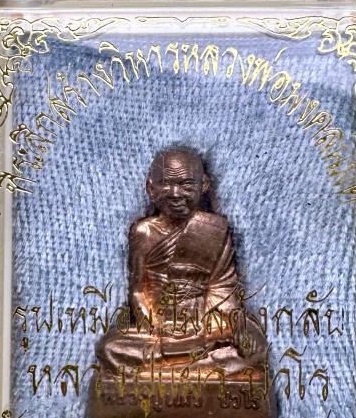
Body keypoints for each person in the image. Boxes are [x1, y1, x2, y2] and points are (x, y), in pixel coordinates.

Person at [94, 145, 267, 375]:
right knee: (109, 348)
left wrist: (220, 326)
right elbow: (138, 291)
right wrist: (157, 327)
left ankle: (170, 367)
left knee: (253, 347)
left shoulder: (214, 229)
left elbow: (222, 289)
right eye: (166, 184)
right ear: (151, 188)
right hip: (158, 328)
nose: (175, 193)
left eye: (186, 185)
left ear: (203, 185)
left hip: (203, 324)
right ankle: (195, 365)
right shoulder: (143, 232)